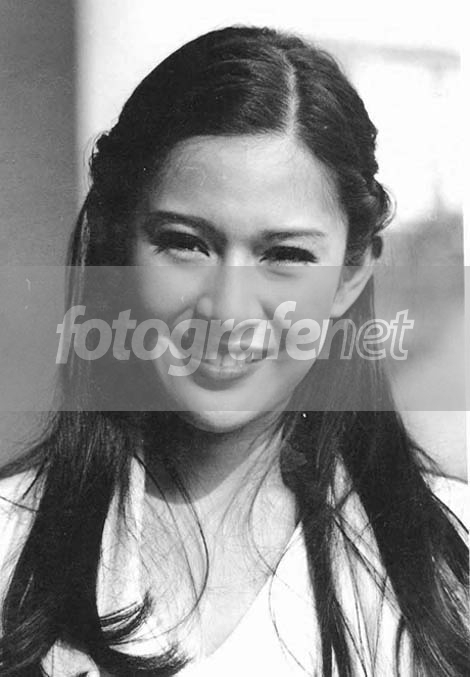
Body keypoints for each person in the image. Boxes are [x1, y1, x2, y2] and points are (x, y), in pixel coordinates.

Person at [0, 25, 468, 677]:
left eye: (286, 255)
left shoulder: (452, 570)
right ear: (113, 245)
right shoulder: (8, 546)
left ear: (352, 275)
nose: (228, 309)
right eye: (185, 243)